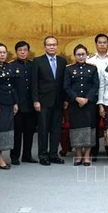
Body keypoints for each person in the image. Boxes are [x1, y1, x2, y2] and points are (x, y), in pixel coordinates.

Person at [32, 36, 67, 166]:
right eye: (49, 45)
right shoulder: (38, 61)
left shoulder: (62, 61)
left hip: (58, 101)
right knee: (43, 129)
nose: (51, 47)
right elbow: (34, 83)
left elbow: (64, 82)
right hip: (43, 101)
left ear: (57, 46)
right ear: (45, 46)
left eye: (54, 44)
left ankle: (53, 154)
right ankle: (43, 155)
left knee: (56, 129)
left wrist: (65, 99)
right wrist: (36, 100)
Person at [64, 44, 99, 166]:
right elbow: (66, 87)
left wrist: (87, 99)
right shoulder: (68, 69)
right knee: (76, 129)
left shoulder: (93, 69)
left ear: (87, 55)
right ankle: (78, 155)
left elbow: (96, 85)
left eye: (83, 54)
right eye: (78, 54)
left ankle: (87, 155)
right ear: (75, 56)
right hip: (75, 104)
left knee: (89, 130)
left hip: (89, 104)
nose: (81, 56)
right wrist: (76, 98)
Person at [9, 41, 38, 165]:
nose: (22, 52)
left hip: (31, 104)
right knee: (17, 132)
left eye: (25, 50)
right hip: (17, 105)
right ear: (16, 52)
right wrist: (14, 102)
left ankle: (27, 155)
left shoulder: (32, 65)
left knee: (29, 132)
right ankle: (14, 156)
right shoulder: (11, 66)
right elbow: (11, 87)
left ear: (28, 51)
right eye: (20, 50)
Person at [86, 34, 108, 161]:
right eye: (100, 42)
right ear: (96, 44)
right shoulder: (90, 60)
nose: (102, 44)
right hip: (93, 97)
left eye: (104, 42)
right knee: (93, 124)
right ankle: (93, 151)